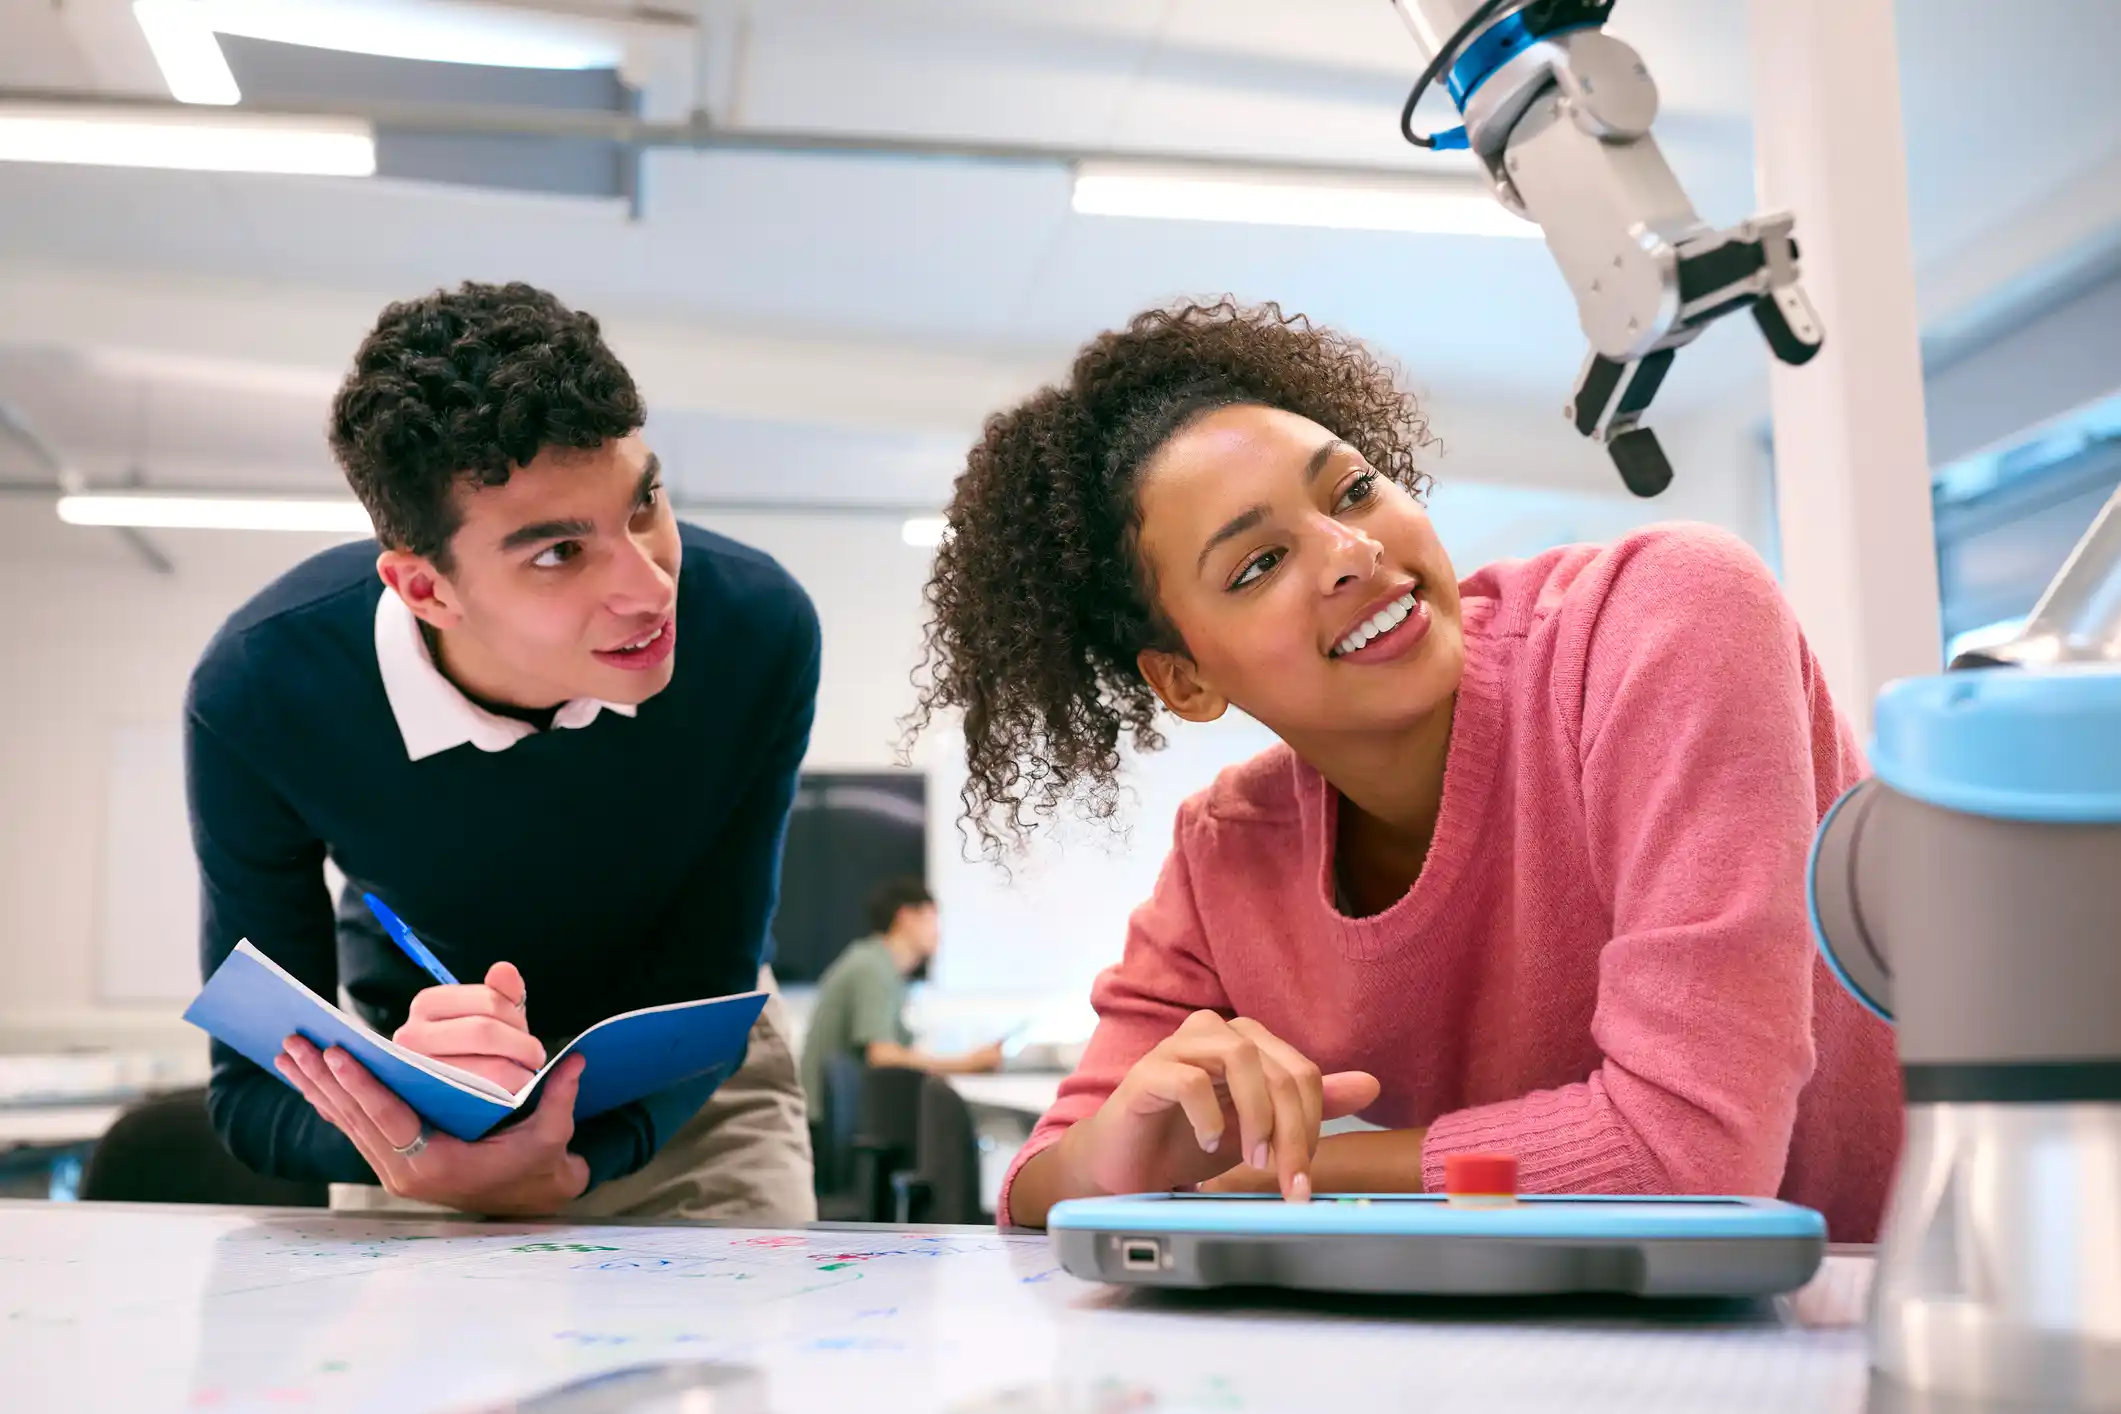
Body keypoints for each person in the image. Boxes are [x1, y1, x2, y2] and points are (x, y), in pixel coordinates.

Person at [905, 299, 1902, 1241]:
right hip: (1531, 1338)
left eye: (1353, 490)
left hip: (1857, 1319)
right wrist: (1111, 1158)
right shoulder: (1230, 854)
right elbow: (1040, 1180)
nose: (1349, 553)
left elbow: (1694, 1159)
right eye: (1257, 566)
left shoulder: (1664, 620)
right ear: (1187, 678)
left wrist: (1287, 1173)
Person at [187, 281, 821, 1221]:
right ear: (424, 589)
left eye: (643, 503)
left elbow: (710, 984)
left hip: (689, 1101)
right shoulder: (261, 694)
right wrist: (414, 1145)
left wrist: (570, 1163)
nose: (648, 589)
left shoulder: (754, 633)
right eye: (560, 553)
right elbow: (251, 1089)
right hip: (420, 1104)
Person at [798, 878, 1005, 1131]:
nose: (938, 932)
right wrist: (967, 1063)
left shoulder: (881, 967)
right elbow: (882, 1056)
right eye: (931, 918)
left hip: (841, 1119)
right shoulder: (873, 969)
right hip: (832, 1125)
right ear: (906, 917)